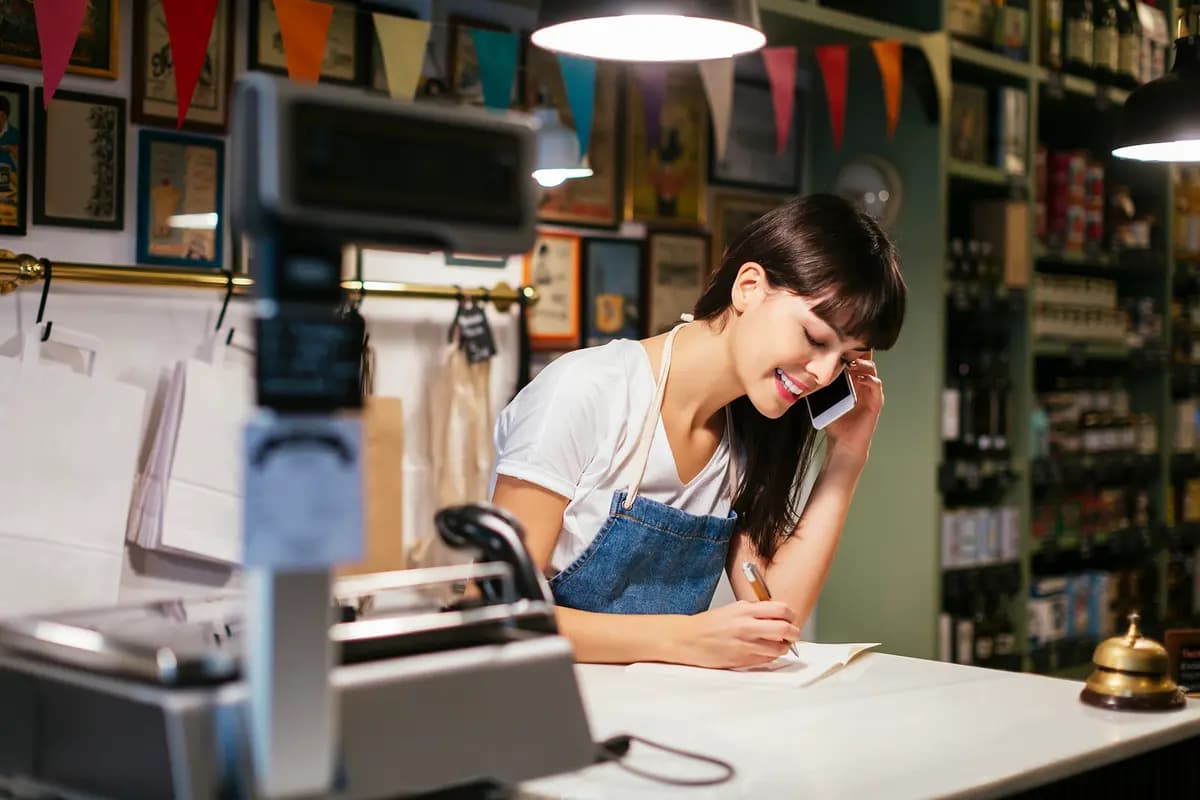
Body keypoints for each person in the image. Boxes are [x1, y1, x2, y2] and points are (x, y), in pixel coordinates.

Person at [489, 194, 907, 669]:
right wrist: (682, 639)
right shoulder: (584, 392)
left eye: (848, 358)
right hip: (550, 717)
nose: (824, 373)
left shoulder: (747, 436)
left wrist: (848, 456)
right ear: (748, 287)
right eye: (815, 338)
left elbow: (778, 610)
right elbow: (500, 614)